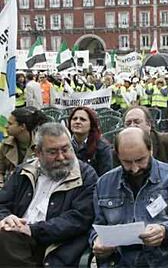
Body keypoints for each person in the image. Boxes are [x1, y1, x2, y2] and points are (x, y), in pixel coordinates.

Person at [90, 127, 168, 267]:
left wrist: (165, 232)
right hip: (118, 262)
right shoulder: (104, 183)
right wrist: (96, 240)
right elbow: (96, 225)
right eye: (127, 162)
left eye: (140, 160)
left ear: (150, 150)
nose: (135, 168)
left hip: (160, 261)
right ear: (118, 156)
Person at [0, 123, 97, 266]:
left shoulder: (86, 176)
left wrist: (33, 230)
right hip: (14, 235)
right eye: (52, 152)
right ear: (38, 152)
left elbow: (80, 219)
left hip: (54, 245)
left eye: (65, 149)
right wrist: (5, 219)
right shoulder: (24, 171)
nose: (61, 157)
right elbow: (2, 203)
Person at [0, 107, 48, 187]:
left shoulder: (42, 146)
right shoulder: (5, 145)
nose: (6, 126)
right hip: (9, 188)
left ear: (22, 126)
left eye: (10, 124)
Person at [68, 106, 113, 176]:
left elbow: (106, 177)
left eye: (82, 119)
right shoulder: (65, 145)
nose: (77, 121)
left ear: (91, 124)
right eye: (74, 119)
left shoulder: (102, 147)